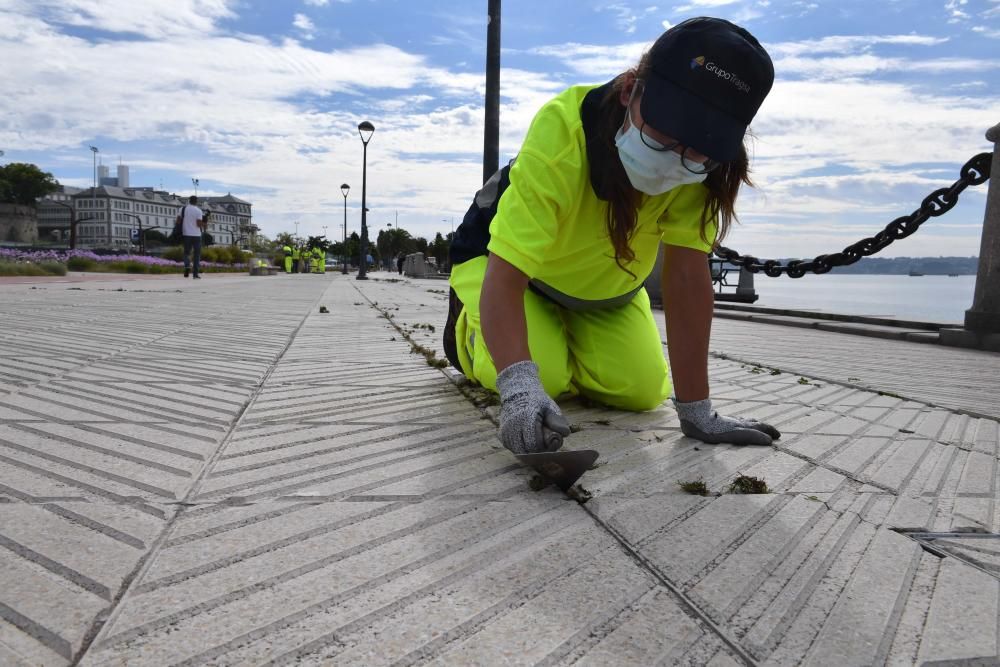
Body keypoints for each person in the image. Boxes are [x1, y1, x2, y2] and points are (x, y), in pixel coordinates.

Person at [445, 17, 781, 455]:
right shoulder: (562, 130)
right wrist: (520, 387)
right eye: (666, 129)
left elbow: (685, 277)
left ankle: (562, 342)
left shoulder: (706, 171)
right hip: (513, 273)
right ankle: (464, 336)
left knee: (642, 391)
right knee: (541, 374)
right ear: (629, 90)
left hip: (602, 294)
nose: (676, 158)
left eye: (700, 144)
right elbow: (508, 271)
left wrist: (697, 410)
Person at [178, 195, 205, 279]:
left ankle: (187, 265)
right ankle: (195, 274)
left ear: (189, 201)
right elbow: (198, 224)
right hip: (196, 235)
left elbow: (178, 221)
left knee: (186, 252)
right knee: (197, 254)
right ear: (196, 201)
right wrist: (204, 224)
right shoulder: (198, 211)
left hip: (186, 234)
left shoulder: (182, 209)